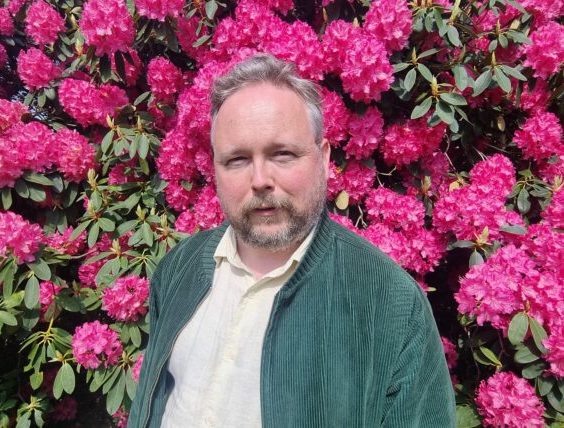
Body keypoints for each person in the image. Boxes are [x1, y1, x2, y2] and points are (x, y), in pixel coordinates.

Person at [128, 53, 455, 428]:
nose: (260, 179)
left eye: (282, 154)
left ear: (323, 157)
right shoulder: (180, 266)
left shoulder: (389, 302)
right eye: (236, 160)